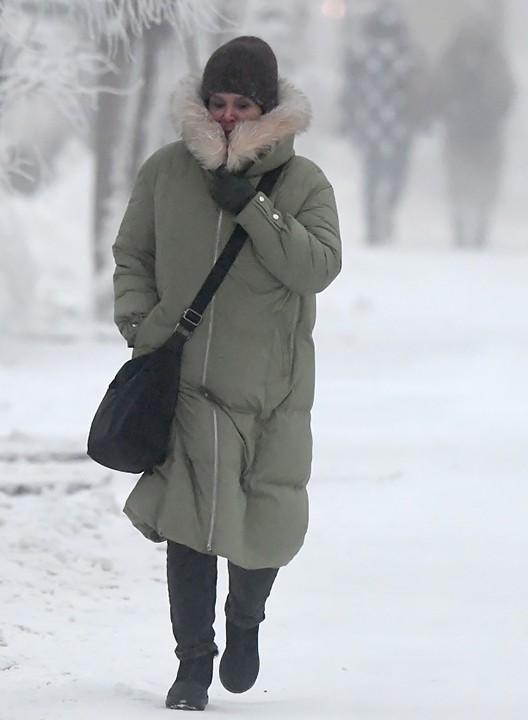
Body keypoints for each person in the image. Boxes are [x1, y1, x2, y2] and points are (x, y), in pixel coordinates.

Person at [111, 36, 341, 711]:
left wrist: (252, 207)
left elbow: (316, 267)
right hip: (188, 387)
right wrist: (141, 326)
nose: (230, 115)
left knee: (264, 524)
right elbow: (133, 253)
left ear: (267, 106)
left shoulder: (303, 184)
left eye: (244, 103)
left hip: (272, 392)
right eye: (220, 102)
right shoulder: (164, 171)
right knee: (190, 527)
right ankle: (192, 664)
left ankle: (245, 623)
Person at [338, 2, 422, 246]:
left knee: (373, 174)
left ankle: (375, 221)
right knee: (394, 173)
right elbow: (418, 87)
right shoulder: (408, 52)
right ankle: (383, 217)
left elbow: (349, 90)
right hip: (398, 124)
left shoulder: (361, 51)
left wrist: (348, 118)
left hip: (372, 122)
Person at [432, 7, 515, 248]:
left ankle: (476, 226)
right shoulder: (460, 58)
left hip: (482, 130)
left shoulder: (490, 59)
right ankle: (466, 226)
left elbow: (506, 92)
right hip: (467, 130)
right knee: (464, 179)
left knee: (479, 180)